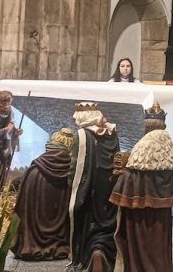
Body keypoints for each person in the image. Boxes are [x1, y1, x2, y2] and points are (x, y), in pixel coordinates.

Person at [109, 102, 173, 272]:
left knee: (144, 241)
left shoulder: (145, 145)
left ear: (148, 124)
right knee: (158, 240)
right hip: (161, 210)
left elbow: (136, 177)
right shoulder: (167, 143)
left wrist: (121, 173)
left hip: (142, 211)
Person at [67, 103, 120, 272]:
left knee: (86, 219)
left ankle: (89, 255)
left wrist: (70, 184)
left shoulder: (82, 135)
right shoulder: (112, 132)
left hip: (90, 189)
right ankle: (106, 253)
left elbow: (75, 165)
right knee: (107, 220)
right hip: (109, 187)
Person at [12, 128, 74, 260]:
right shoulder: (71, 174)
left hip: (31, 241)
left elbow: (21, 209)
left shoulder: (33, 171)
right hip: (61, 241)